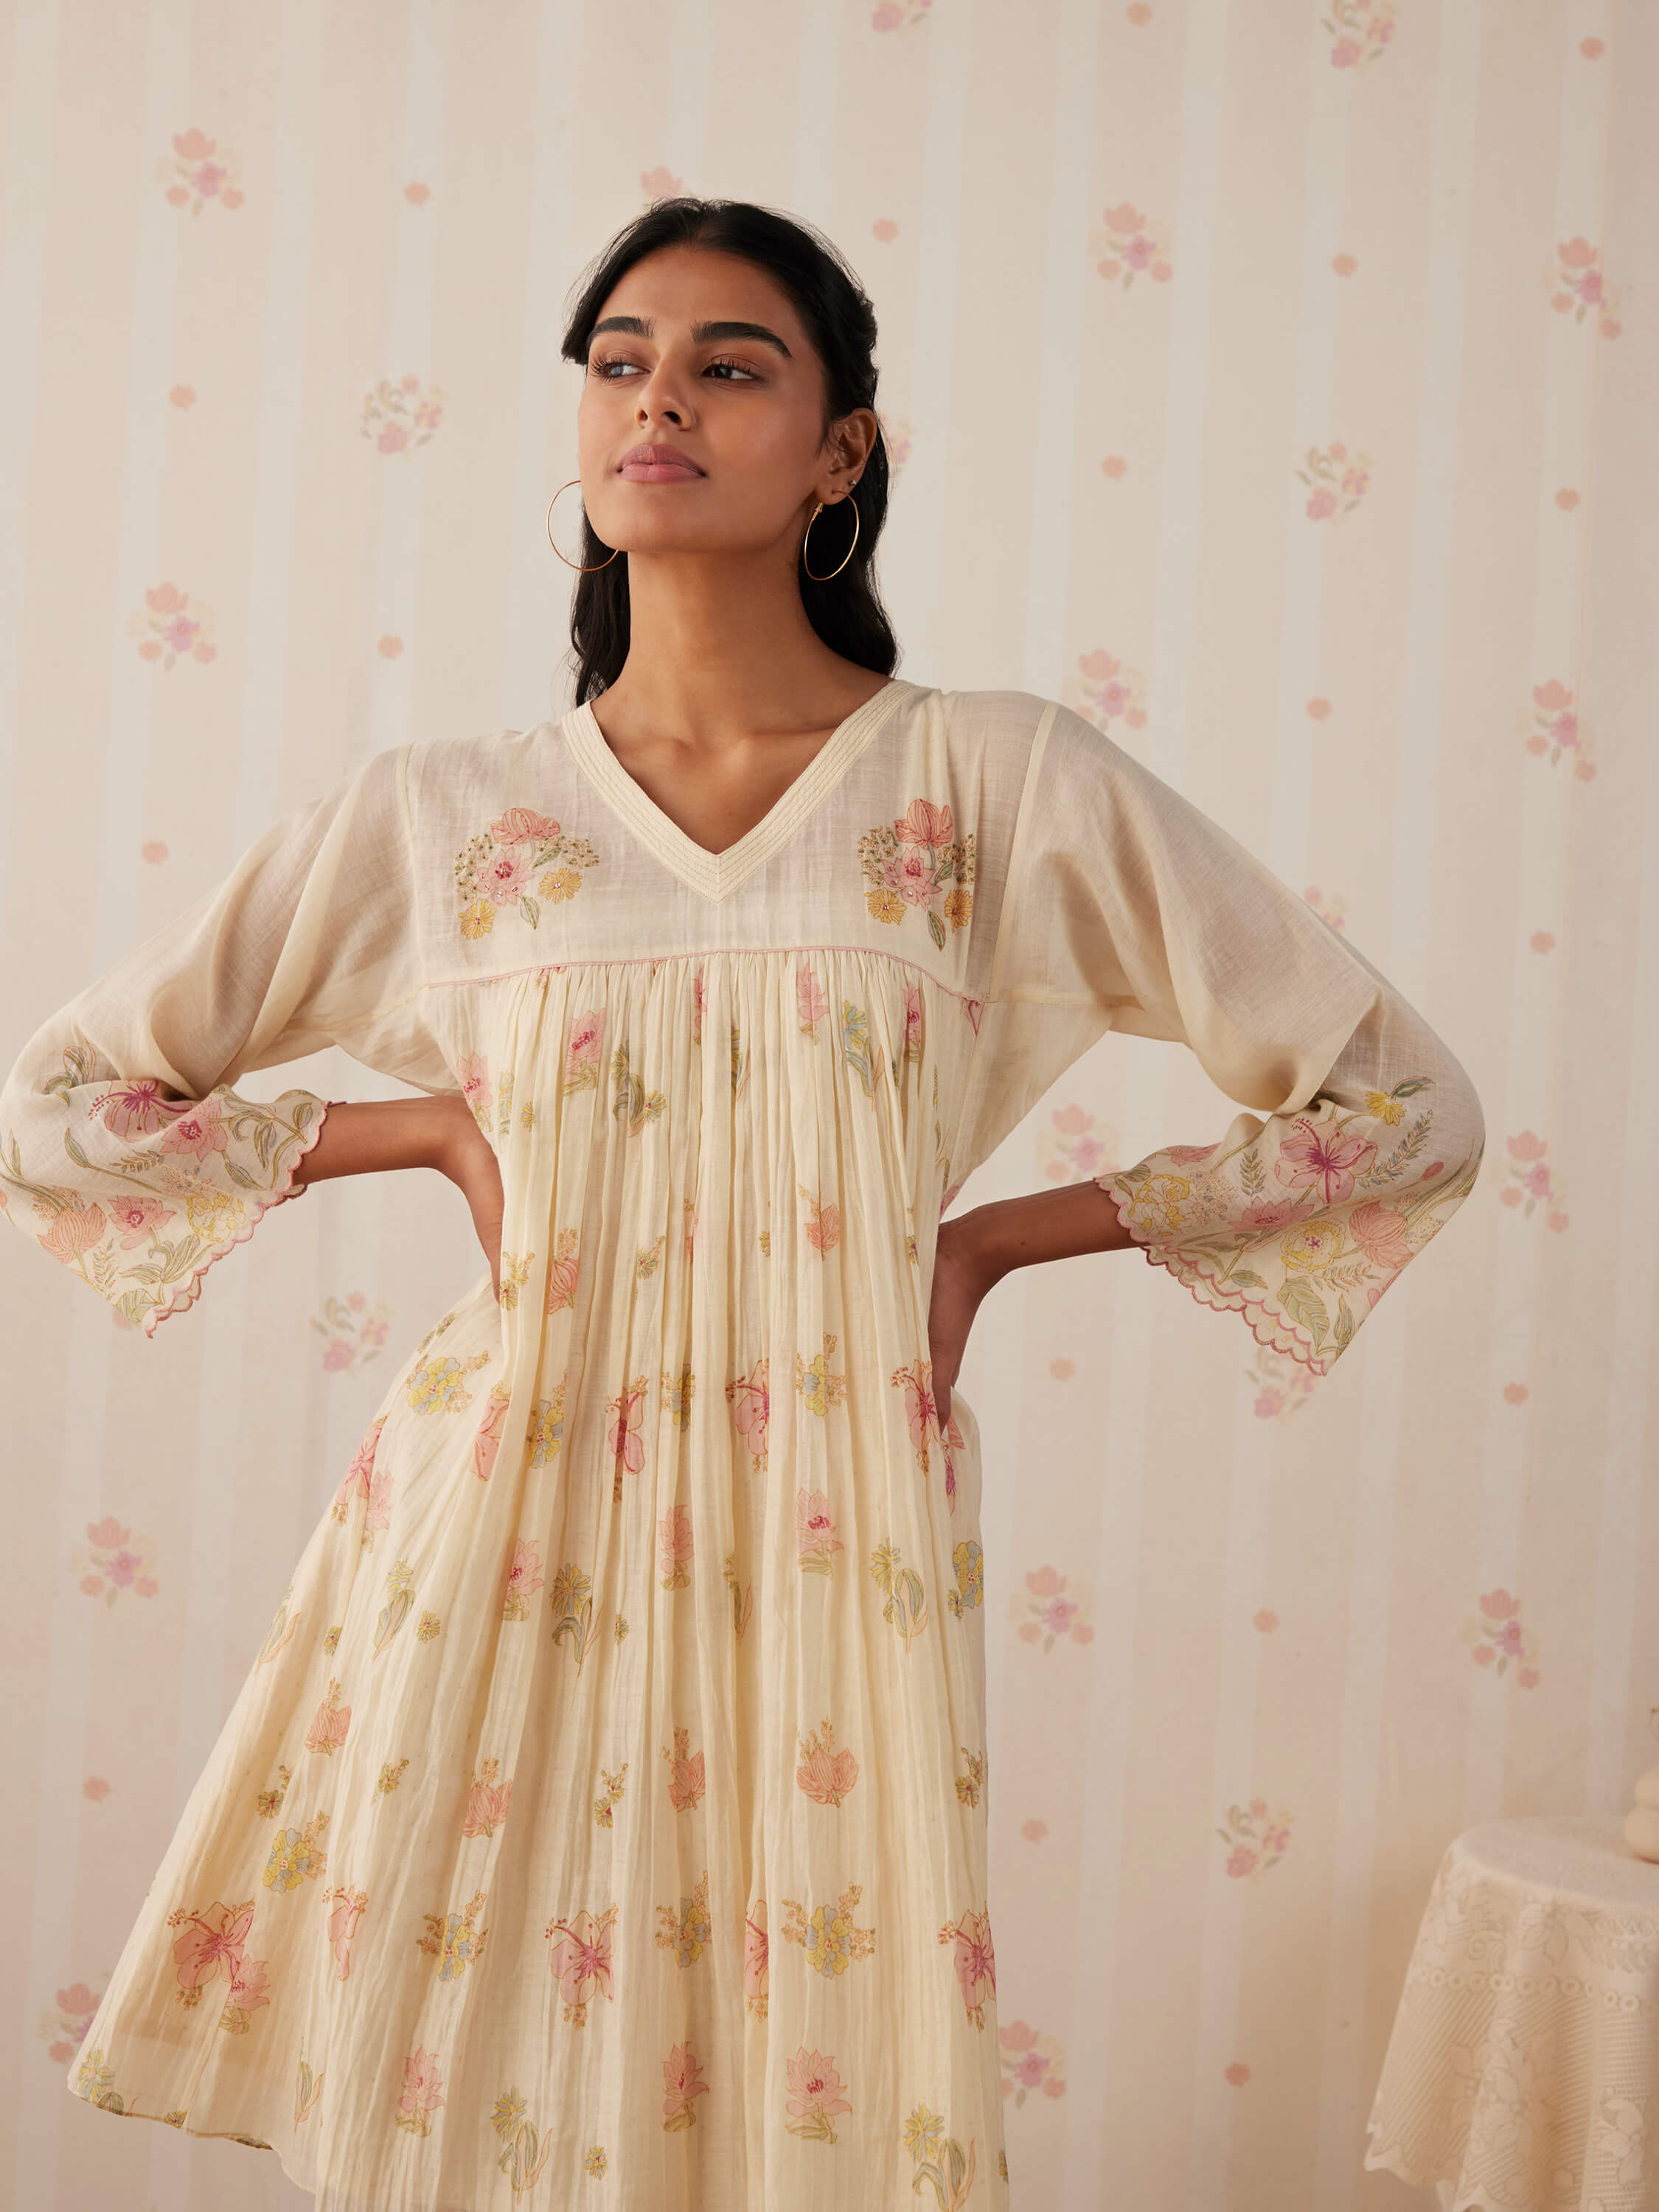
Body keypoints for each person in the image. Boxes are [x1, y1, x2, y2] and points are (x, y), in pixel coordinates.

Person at [0, 196, 1484, 2211]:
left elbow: (1399, 1104)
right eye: (618, 361)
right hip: (495, 1516)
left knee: (807, 2116)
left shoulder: (988, 786)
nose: (658, 400)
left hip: (830, 1536)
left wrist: (986, 1241)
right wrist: (413, 1134)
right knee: (465, 2099)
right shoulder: (445, 817)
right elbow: (64, 1103)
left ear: (840, 449)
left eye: (728, 363)